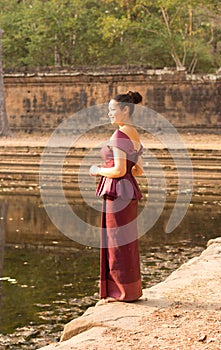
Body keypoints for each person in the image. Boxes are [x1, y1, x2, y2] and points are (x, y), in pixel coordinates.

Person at [89, 91, 144, 303]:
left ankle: (120, 292)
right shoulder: (134, 133)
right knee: (125, 241)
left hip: (118, 193)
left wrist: (97, 169)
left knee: (116, 242)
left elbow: (120, 170)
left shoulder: (119, 135)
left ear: (125, 110)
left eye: (112, 110)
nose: (109, 114)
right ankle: (130, 290)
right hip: (128, 191)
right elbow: (137, 170)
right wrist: (116, 168)